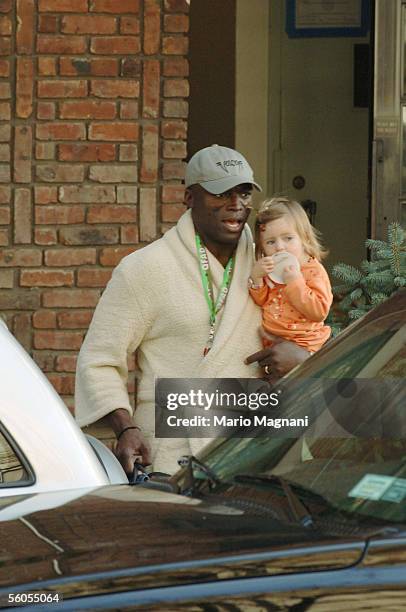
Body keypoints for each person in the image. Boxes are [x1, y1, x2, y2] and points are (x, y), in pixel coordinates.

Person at [75, 144, 268, 476]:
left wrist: (302, 360)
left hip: (251, 450)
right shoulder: (144, 269)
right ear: (190, 197)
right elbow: (98, 361)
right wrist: (125, 427)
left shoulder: (271, 262)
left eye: (244, 192)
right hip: (169, 457)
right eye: (221, 193)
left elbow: (307, 331)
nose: (236, 205)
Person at [248, 197, 333, 363]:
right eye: (271, 242)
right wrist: (257, 277)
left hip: (304, 346)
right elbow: (262, 300)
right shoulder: (271, 270)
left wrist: (295, 282)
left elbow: (319, 312)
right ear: (262, 247)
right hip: (271, 344)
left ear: (305, 239)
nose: (280, 247)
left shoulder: (313, 271)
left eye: (288, 238)